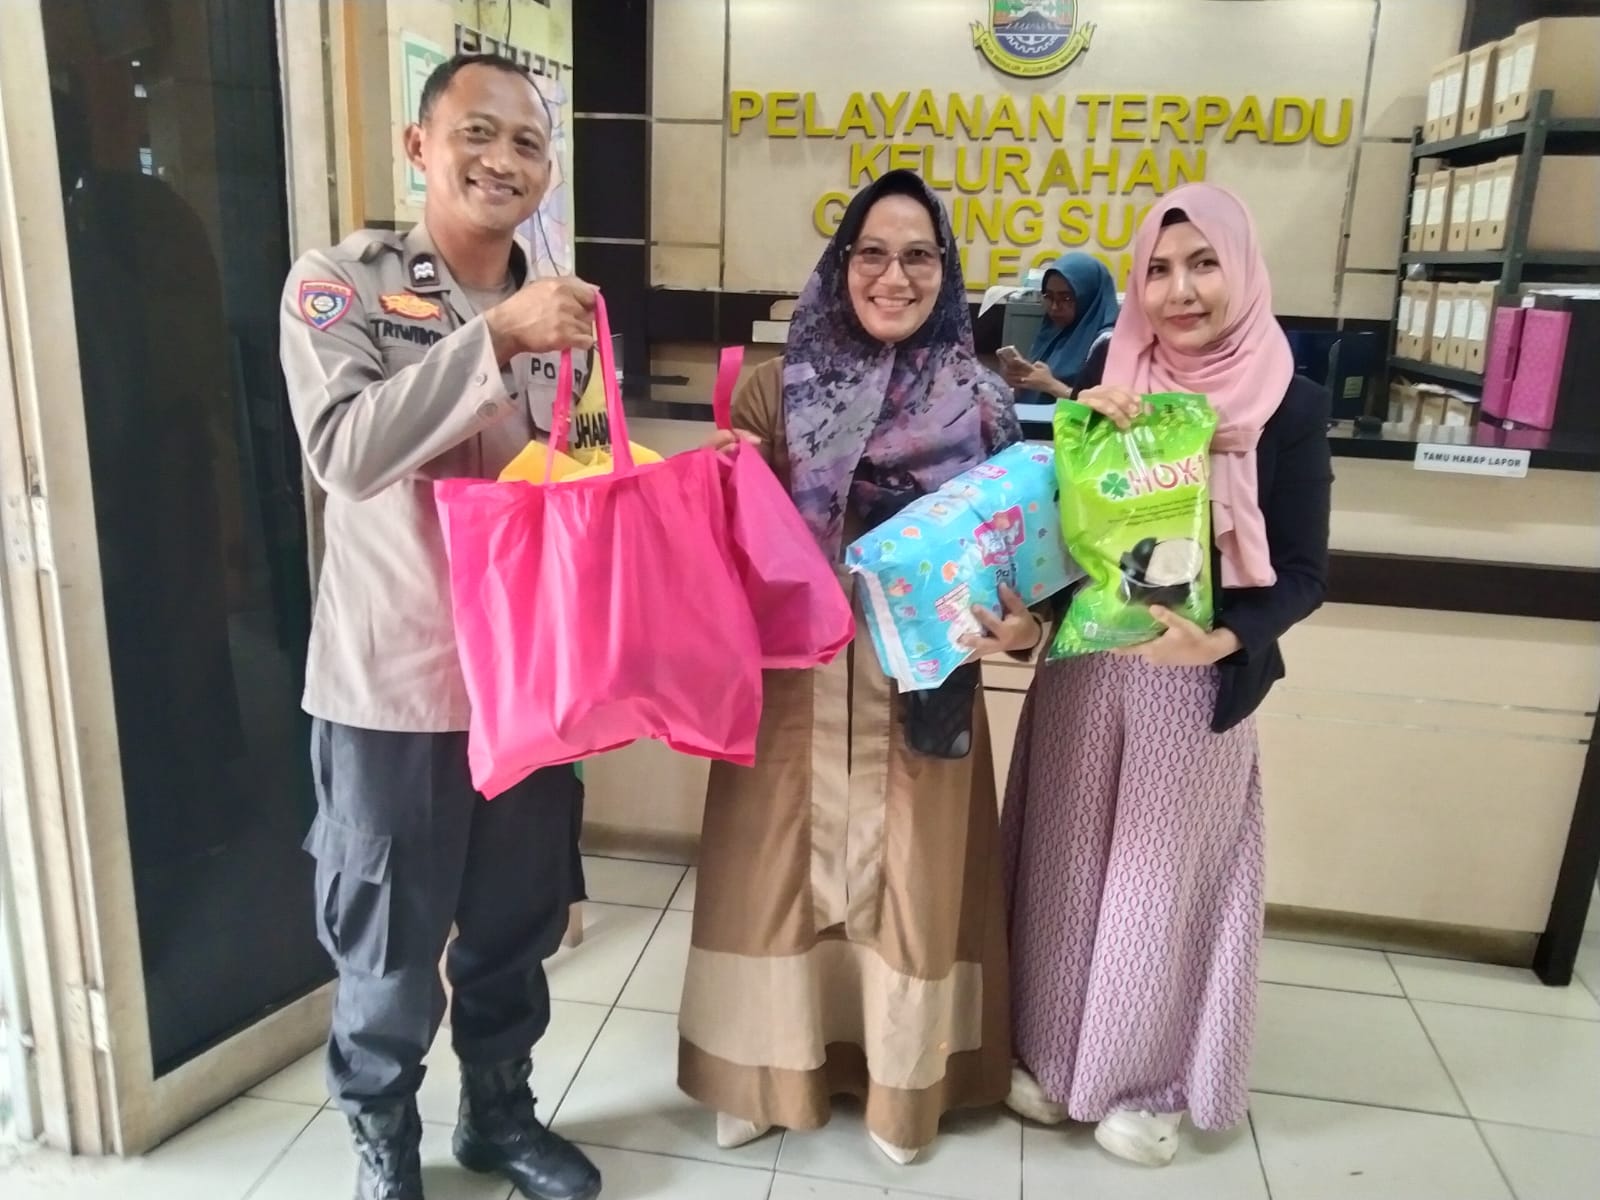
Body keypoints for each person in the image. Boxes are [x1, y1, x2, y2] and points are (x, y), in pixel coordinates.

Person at [279, 54, 602, 1200]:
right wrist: (494, 340)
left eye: (527, 143)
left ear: (546, 171)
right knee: (388, 952)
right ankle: (384, 1149)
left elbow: (583, 481)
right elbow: (343, 451)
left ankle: (498, 1117)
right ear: (419, 146)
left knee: (515, 930)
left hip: (530, 690)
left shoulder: (569, 315)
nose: (502, 159)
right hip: (397, 688)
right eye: (478, 132)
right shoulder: (341, 285)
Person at [679, 169, 1043, 1164]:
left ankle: (902, 1083)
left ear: (947, 270)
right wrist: (720, 486)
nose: (895, 275)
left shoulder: (983, 404)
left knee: (913, 882)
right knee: (772, 874)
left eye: (919, 255)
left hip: (923, 689)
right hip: (791, 685)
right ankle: (764, 1071)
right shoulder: (774, 390)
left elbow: (1025, 561)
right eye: (872, 253)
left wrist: (1023, 630)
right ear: (841, 265)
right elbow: (724, 554)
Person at [1000, 184, 1332, 1167]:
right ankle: (1047, 1053)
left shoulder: (1288, 404)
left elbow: (1304, 573)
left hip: (1194, 687)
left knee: (1158, 888)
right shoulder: (1111, 378)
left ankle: (1145, 1082)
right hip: (1086, 674)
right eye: (1157, 269)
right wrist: (1081, 432)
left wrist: (1219, 642)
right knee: (1064, 866)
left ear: (1243, 269)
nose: (1180, 290)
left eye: (1203, 264)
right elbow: (1068, 547)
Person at [1002, 253, 1119, 405]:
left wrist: (1052, 386)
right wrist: (1021, 382)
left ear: (1088, 297)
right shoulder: (1053, 331)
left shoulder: (1106, 343)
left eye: (1066, 298)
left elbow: (1104, 407)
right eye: (1049, 296)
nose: (1054, 307)